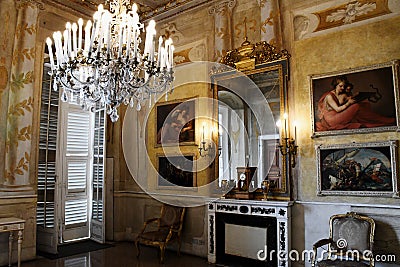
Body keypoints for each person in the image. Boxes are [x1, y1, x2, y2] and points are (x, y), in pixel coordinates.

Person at [316, 76, 395, 131]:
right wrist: (349, 103)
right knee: (356, 106)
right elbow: (337, 109)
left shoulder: (340, 94)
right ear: (335, 85)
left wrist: (356, 97)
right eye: (340, 86)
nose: (343, 88)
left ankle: (377, 120)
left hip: (336, 116)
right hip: (332, 119)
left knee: (362, 105)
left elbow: (345, 100)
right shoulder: (329, 96)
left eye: (344, 86)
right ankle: (376, 120)